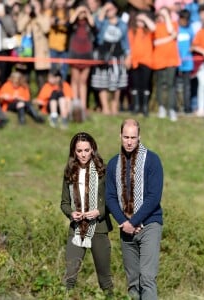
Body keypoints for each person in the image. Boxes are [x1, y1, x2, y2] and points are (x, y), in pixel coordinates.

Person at [105, 119, 164, 300]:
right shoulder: (114, 163)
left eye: (133, 137)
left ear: (139, 137)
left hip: (149, 224)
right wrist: (125, 222)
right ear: (120, 136)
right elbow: (110, 197)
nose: (129, 141)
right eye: (126, 137)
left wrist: (134, 221)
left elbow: (154, 197)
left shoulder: (152, 160)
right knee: (132, 280)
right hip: (126, 228)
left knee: (147, 277)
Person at [60, 132, 114, 297]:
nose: (83, 154)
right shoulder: (70, 172)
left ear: (93, 150)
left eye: (86, 150)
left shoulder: (103, 172)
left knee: (104, 279)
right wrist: (71, 214)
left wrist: (99, 211)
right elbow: (64, 203)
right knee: (69, 276)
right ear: (74, 152)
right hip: (76, 230)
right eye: (79, 151)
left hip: (98, 228)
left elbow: (112, 200)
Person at [91, 0, 131, 115]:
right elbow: (96, 25)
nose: (109, 11)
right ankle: (105, 107)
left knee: (117, 83)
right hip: (103, 55)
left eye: (111, 8)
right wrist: (103, 10)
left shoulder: (122, 24)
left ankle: (114, 105)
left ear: (116, 9)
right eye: (107, 9)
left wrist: (128, 55)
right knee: (102, 82)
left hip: (117, 56)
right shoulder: (102, 21)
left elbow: (125, 41)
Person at [153, 7, 180, 121]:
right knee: (159, 85)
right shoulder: (156, 27)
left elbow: (172, 31)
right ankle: (161, 108)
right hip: (159, 59)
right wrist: (170, 38)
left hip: (172, 60)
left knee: (171, 85)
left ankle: (172, 109)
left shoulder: (173, 23)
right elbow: (156, 42)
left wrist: (167, 16)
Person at [128, 12, 156, 116]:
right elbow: (129, 46)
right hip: (135, 62)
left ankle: (145, 107)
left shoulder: (148, 31)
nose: (140, 22)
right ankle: (136, 106)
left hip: (147, 61)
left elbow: (154, 28)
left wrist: (144, 18)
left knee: (145, 85)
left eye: (142, 21)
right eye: (138, 20)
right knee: (135, 85)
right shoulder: (132, 31)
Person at [191, 4, 204, 117]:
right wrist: (203, 52)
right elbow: (193, 46)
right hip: (202, 62)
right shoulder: (200, 31)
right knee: (202, 84)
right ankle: (201, 108)